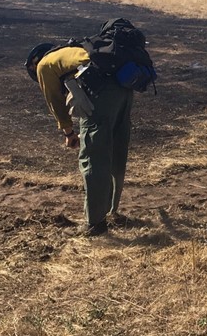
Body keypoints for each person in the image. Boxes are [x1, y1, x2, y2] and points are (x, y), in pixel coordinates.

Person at [25, 27, 146, 237]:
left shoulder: (44, 65)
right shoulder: (73, 50)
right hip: (124, 90)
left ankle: (95, 223)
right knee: (116, 150)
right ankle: (111, 210)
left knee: (94, 156)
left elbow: (55, 102)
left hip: (101, 94)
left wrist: (68, 133)